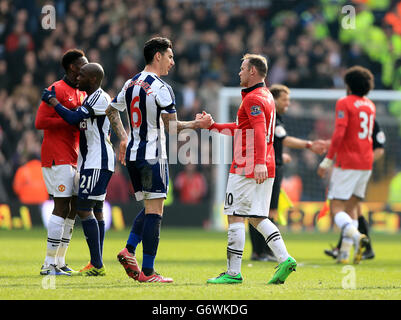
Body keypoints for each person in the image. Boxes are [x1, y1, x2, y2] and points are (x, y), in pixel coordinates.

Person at [105, 37, 212, 283]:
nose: (172, 62)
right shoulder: (162, 88)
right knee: (155, 213)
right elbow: (172, 127)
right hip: (153, 155)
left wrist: (123, 138)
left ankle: (129, 250)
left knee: (150, 208)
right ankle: (148, 272)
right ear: (158, 56)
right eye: (170, 57)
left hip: (133, 155)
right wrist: (198, 124)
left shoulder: (130, 83)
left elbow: (111, 110)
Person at [200, 54, 296, 285]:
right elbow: (241, 127)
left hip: (248, 165)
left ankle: (233, 273)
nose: (239, 72)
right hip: (265, 164)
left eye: (243, 68)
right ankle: (284, 258)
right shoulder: (266, 96)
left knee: (235, 215)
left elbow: (260, 131)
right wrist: (212, 126)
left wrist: (259, 161)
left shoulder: (254, 98)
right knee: (256, 217)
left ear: (253, 71)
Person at [41, 62, 113, 276]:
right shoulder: (90, 98)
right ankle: (96, 263)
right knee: (97, 210)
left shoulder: (99, 97)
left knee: (83, 208)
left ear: (92, 80)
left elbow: (73, 118)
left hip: (96, 162)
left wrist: (53, 102)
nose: (76, 78)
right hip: (93, 161)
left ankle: (97, 264)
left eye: (81, 76)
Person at [249, 84, 327, 262]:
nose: (288, 104)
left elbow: (275, 141)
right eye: (284, 100)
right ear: (274, 100)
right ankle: (261, 252)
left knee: (266, 211)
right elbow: (284, 139)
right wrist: (309, 144)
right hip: (269, 168)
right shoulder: (272, 116)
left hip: (274, 165)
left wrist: (280, 155)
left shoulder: (276, 118)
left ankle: (263, 251)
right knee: (264, 211)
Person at [35, 49, 88, 276]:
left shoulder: (82, 93)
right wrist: (67, 119)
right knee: (61, 206)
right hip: (57, 156)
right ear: (71, 67)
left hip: (74, 156)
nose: (84, 70)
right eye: (81, 66)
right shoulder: (56, 89)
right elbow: (40, 121)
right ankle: (48, 264)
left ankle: (60, 261)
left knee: (73, 207)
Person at [317, 65, 376, 264]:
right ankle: (344, 254)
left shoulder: (344, 102)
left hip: (348, 162)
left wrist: (327, 160)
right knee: (352, 208)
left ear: (348, 85)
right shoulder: (370, 105)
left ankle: (358, 236)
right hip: (366, 162)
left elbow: (340, 133)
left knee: (336, 208)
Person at [324, 119, 385, 260]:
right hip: (360, 167)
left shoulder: (366, 121)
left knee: (340, 208)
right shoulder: (366, 118)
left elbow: (379, 149)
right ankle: (346, 251)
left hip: (352, 167)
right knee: (354, 209)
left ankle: (356, 242)